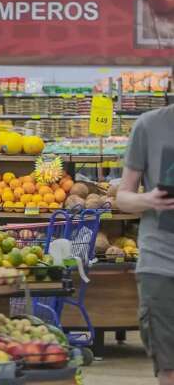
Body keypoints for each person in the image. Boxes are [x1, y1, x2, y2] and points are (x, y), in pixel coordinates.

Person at [117, 104, 174, 385]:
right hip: (161, 264)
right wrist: (148, 200)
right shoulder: (149, 125)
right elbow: (122, 197)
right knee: (169, 365)